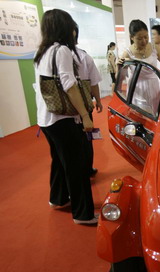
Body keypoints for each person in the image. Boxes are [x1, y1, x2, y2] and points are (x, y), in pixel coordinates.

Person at [34, 9, 97, 225]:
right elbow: (70, 86)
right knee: (76, 166)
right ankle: (83, 213)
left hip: (47, 119)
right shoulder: (61, 51)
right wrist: (85, 116)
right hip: (64, 119)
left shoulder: (42, 52)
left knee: (60, 162)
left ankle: (58, 198)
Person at [119, 19, 160, 115]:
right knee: (139, 116)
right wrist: (119, 65)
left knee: (155, 115)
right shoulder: (128, 53)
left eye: (146, 37)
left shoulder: (154, 48)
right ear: (132, 37)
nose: (144, 41)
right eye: (139, 38)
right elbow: (120, 77)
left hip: (153, 87)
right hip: (137, 89)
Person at [73, 25, 103, 177]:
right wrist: (98, 100)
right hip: (85, 105)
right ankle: (88, 169)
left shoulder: (51, 54)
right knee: (86, 139)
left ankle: (79, 172)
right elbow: (93, 82)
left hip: (64, 111)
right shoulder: (84, 56)